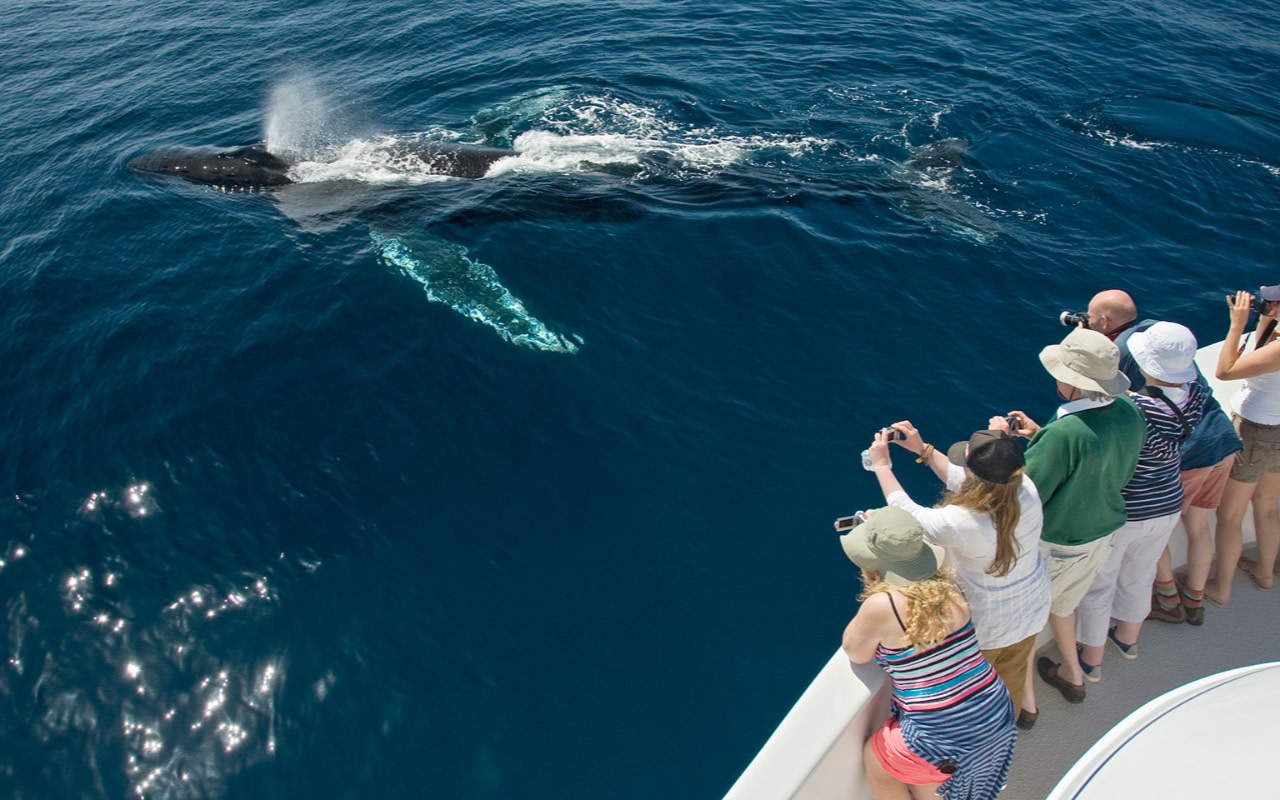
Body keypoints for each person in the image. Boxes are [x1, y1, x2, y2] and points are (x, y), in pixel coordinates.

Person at [864, 424, 1050, 727]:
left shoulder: (959, 522)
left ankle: (981, 741)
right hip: (1032, 611)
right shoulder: (1024, 487)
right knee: (1011, 681)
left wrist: (881, 466)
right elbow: (971, 480)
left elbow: (908, 513)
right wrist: (923, 450)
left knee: (973, 698)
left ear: (972, 473)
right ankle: (1011, 723)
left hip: (986, 629)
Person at [1000, 327, 1146, 712]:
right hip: (1101, 531)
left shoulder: (1065, 433)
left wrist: (1003, 446)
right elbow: (1093, 456)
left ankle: (1025, 705)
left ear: (1076, 383)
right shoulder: (1130, 410)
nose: (1056, 379)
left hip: (1059, 541)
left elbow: (1027, 494)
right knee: (1063, 605)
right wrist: (1040, 435)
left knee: (1024, 620)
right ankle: (1072, 673)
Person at [1077, 289, 1242, 625]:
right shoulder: (1162, 335)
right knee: (1198, 525)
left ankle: (1168, 599)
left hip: (1187, 457)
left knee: (1157, 531)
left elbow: (1094, 397)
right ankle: (1194, 599)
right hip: (1221, 440)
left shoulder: (1122, 351)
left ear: (1104, 321)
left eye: (1091, 318)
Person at [840, 507, 1016, 800]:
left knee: (876, 760)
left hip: (943, 733)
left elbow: (855, 651)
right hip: (993, 711)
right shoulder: (948, 586)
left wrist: (873, 587)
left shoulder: (883, 604)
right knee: (926, 774)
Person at [1075, 322, 1206, 679]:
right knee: (1140, 575)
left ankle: (1091, 659)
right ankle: (1127, 639)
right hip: (1168, 502)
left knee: (1101, 583)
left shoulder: (1133, 408)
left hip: (1128, 509)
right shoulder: (1195, 395)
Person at [1206, 288, 1280, 605]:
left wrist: (1236, 325)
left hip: (1256, 433)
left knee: (1230, 514)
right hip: (1276, 433)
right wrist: (1265, 320)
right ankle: (1264, 572)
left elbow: (1225, 371)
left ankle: (1221, 588)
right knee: (1266, 504)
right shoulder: (1274, 335)